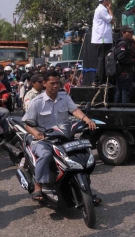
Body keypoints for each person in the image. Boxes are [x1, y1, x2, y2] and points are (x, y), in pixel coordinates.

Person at [21, 71, 97, 201]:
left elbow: (74, 110)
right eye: (52, 83)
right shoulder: (37, 102)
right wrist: (37, 133)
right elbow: (28, 125)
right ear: (44, 83)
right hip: (44, 140)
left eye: (58, 83)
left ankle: (86, 190)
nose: (55, 86)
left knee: (81, 154)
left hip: (64, 137)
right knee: (46, 155)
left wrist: (87, 120)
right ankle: (38, 186)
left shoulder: (64, 96)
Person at [91, 0, 116, 87]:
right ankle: (102, 81)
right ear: (104, 1)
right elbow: (112, 20)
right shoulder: (101, 10)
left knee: (104, 59)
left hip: (105, 38)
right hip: (102, 39)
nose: (109, 2)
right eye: (108, 0)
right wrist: (110, 9)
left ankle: (96, 79)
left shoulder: (102, 9)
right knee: (102, 59)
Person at [114, 26, 135, 103]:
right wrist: (134, 61)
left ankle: (117, 109)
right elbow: (121, 58)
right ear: (123, 33)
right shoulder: (123, 43)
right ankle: (123, 111)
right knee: (126, 93)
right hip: (124, 73)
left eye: (132, 32)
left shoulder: (126, 42)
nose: (131, 34)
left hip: (124, 72)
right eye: (129, 32)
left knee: (120, 92)